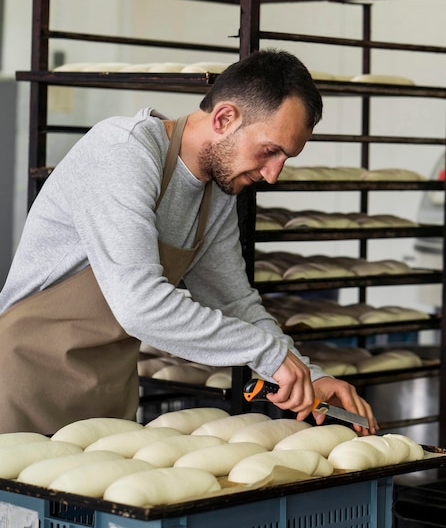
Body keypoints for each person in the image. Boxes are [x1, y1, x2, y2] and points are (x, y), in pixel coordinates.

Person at [0, 49, 378, 435]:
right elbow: (139, 305)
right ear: (225, 117)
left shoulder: (214, 196)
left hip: (105, 390)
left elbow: (233, 303)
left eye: (286, 158)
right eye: (270, 151)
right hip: (25, 383)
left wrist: (307, 376)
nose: (273, 174)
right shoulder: (123, 152)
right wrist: (268, 353)